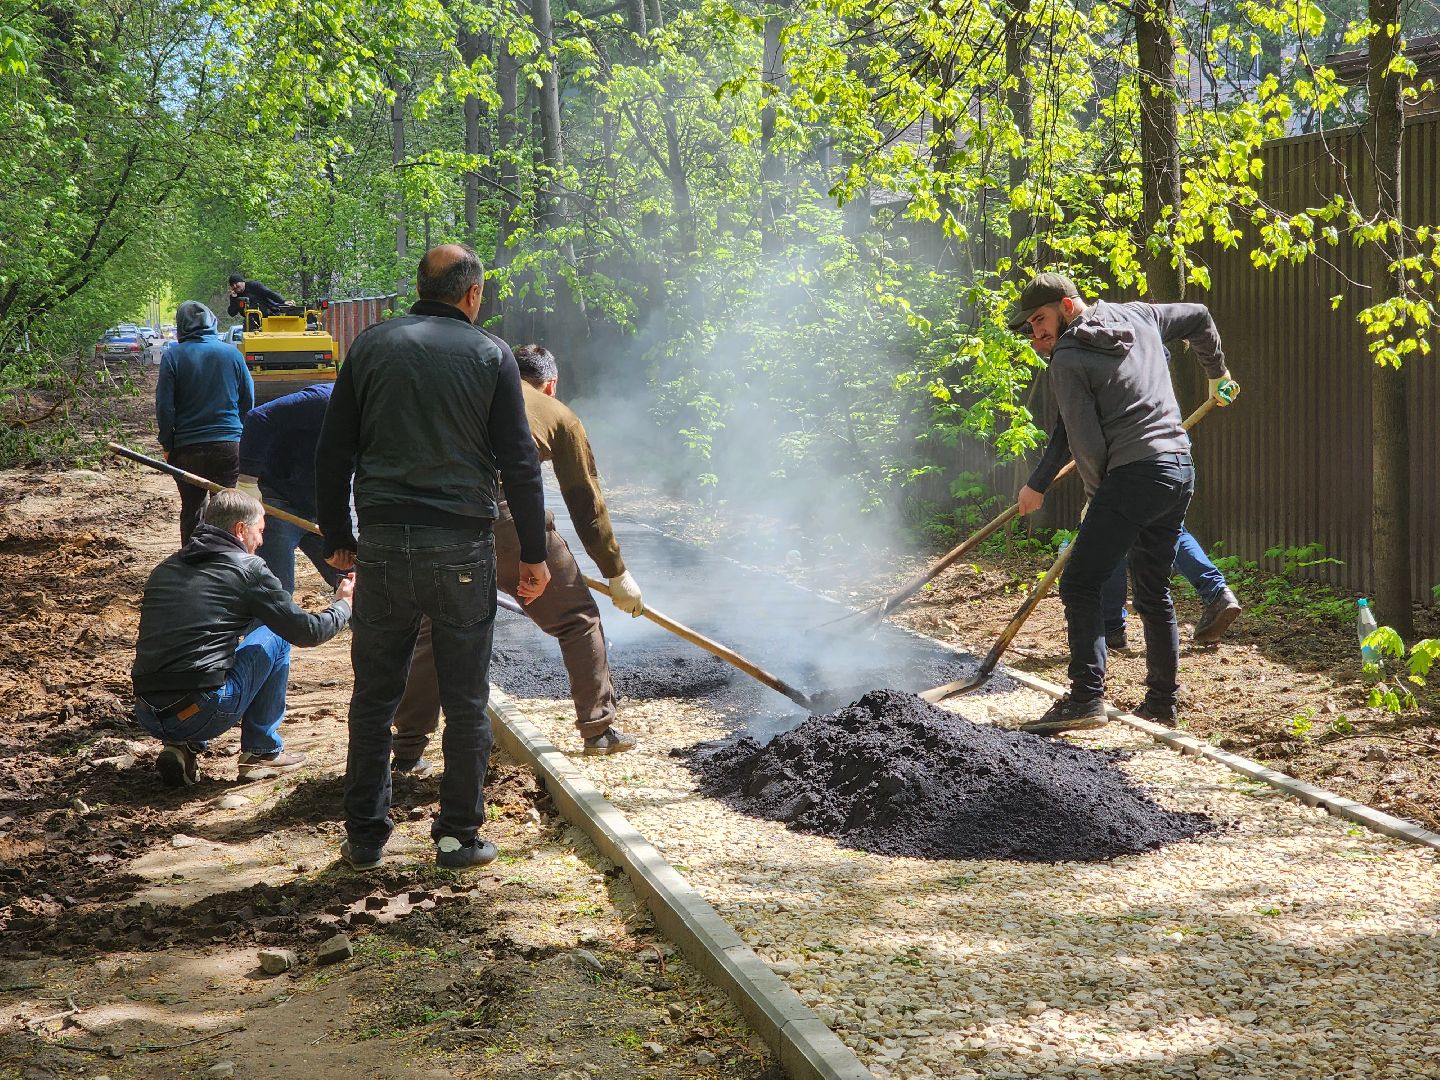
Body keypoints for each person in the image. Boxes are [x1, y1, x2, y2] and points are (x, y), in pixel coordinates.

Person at [315, 243, 551, 874]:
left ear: (420, 286)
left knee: (374, 697)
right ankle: (457, 838)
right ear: (472, 295)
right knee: (466, 700)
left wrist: (337, 534)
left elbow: (333, 451)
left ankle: (365, 837)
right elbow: (520, 464)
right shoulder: (491, 355)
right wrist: (533, 554)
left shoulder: (370, 345)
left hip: (384, 546)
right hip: (462, 549)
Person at [393, 344, 644, 773]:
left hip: (438, 521)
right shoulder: (556, 413)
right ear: (551, 384)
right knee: (577, 619)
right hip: (505, 520)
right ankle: (598, 730)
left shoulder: (465, 388)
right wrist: (615, 572)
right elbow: (584, 501)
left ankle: (408, 750)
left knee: (434, 626)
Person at [1006, 272, 1238, 735]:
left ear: (1067, 306)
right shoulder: (1138, 315)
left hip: (1132, 475)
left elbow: (1087, 444)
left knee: (1080, 583)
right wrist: (1218, 374)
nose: (1036, 332)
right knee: (1153, 591)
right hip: (1178, 467)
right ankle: (1161, 704)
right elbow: (1199, 316)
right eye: (1030, 327)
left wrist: (1096, 499)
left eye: (1040, 319)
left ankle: (1085, 698)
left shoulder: (1067, 358)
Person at [131, 489, 354, 788]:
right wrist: (343, 605)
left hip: (147, 712)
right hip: (201, 712)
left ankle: (182, 746)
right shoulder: (248, 568)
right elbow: (307, 632)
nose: (261, 541)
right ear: (239, 529)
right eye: (259, 531)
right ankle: (261, 752)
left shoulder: (166, 567)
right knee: (276, 634)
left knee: (203, 649)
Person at [1021, 416, 1242, 650]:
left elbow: (1068, 426)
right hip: (1173, 453)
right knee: (1165, 526)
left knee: (1110, 530)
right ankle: (1217, 593)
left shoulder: (1089, 391)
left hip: (1130, 459)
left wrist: (1038, 483)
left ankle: (1112, 627)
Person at [156, 301, 254, 545]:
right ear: (213, 322)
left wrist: (168, 443)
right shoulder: (232, 354)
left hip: (187, 449)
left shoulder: (173, 356)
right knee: (229, 509)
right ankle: (229, 558)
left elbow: (165, 406)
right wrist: (240, 434)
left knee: (192, 509)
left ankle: (192, 559)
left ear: (181, 326)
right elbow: (248, 399)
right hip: (228, 447)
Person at [237, 383, 344, 593]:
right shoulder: (324, 401)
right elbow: (259, 417)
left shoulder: (377, 421)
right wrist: (247, 481)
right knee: (277, 591)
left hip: (321, 508)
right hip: (278, 500)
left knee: (355, 582)